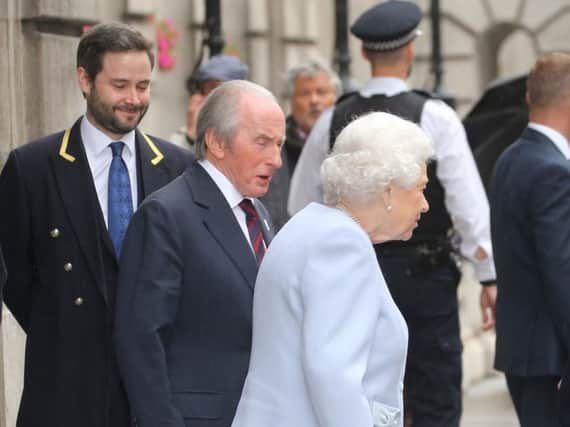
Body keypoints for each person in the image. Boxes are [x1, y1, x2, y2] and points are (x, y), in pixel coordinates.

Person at [287, 2, 497, 425]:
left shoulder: (332, 119)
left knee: (360, 389)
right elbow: (468, 207)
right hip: (425, 277)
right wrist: (488, 274)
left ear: (364, 53)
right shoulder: (436, 116)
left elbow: (301, 205)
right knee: (435, 393)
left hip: (352, 271)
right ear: (410, 51)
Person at [0, 22, 192, 427]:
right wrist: (67, 330)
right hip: (65, 392)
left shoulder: (178, 167)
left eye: (143, 86)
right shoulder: (32, 167)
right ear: (84, 80)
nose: (134, 99)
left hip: (152, 398)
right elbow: (15, 279)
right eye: (120, 85)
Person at [232, 112, 431, 427]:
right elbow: (334, 375)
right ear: (388, 190)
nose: (425, 204)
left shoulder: (313, 226)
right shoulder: (342, 245)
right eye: (420, 188)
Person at [114, 80, 284, 427]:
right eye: (262, 143)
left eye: (279, 144)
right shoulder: (167, 214)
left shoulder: (257, 212)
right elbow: (140, 341)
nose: (276, 159)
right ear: (216, 142)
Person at [490, 52, 570, 427]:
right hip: (552, 357)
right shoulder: (554, 170)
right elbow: (561, 272)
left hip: (525, 350)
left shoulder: (511, 157)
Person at [261, 60, 340, 230]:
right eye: (305, 93)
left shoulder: (344, 144)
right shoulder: (275, 146)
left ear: (336, 98)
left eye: (321, 92)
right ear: (291, 100)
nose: (314, 100)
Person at [170, 54, 249, 152]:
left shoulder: (252, 131)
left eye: (218, 89)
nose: (212, 97)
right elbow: (175, 163)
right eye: (208, 89)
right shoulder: (183, 135)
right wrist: (191, 134)